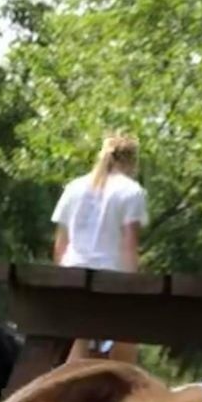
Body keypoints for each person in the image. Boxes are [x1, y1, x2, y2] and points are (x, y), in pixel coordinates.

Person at [51, 132, 148, 364]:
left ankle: (72, 380)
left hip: (72, 274)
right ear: (132, 161)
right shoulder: (131, 191)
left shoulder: (74, 187)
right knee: (126, 334)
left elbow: (60, 244)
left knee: (78, 337)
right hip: (110, 277)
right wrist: (133, 285)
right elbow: (129, 244)